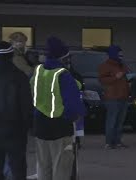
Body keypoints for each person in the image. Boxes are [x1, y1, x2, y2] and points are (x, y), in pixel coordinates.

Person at [30, 37, 85, 180]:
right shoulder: (63, 75)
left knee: (43, 165)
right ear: (63, 56)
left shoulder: (38, 71)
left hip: (40, 124)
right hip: (60, 126)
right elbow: (73, 104)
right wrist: (76, 116)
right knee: (61, 166)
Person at [0, 41, 33, 180]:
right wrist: (27, 125)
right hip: (15, 128)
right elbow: (26, 105)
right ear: (11, 56)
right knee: (17, 165)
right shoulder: (19, 76)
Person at [99, 45, 130, 149]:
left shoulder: (123, 65)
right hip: (112, 98)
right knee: (112, 121)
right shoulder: (105, 66)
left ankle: (117, 141)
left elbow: (126, 77)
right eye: (119, 54)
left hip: (124, 97)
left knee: (120, 121)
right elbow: (102, 80)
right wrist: (115, 77)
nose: (121, 56)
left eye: (122, 54)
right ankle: (109, 142)